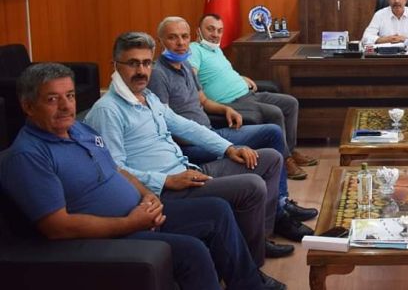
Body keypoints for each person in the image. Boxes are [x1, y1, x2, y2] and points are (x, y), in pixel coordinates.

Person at [0, 63, 285, 290]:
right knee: (193, 250)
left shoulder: (79, 129)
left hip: (141, 212)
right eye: (53, 99)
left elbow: (117, 169)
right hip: (110, 235)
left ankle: (249, 284)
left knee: (217, 210)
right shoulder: (28, 156)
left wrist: (148, 195)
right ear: (28, 106)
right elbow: (57, 227)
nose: (66, 106)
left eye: (70, 96)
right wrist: (129, 222)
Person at [83, 32, 293, 265]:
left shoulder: (148, 97)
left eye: (146, 63)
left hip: (189, 171)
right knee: (252, 185)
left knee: (270, 158)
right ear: (114, 65)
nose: (141, 71)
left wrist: (229, 148)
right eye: (133, 63)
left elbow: (187, 127)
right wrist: (166, 180)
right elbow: (114, 169)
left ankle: (260, 239)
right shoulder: (107, 111)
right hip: (166, 190)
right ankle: (253, 262)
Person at [150, 17, 317, 242]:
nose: (180, 42)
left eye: (184, 37)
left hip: (211, 132)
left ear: (190, 38)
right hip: (192, 145)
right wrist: (210, 140)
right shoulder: (158, 74)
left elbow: (203, 101)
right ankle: (278, 216)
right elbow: (163, 123)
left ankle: (281, 203)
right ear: (160, 41)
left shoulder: (186, 66)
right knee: (266, 147)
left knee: (273, 132)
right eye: (172, 37)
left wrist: (225, 109)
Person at [189, 13, 317, 178]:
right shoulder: (194, 49)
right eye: (210, 29)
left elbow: (221, 73)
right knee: (274, 112)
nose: (215, 34)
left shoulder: (216, 50)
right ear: (198, 31)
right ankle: (285, 161)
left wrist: (241, 77)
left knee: (290, 103)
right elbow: (191, 76)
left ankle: (290, 151)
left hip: (249, 94)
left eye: (219, 31)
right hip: (231, 102)